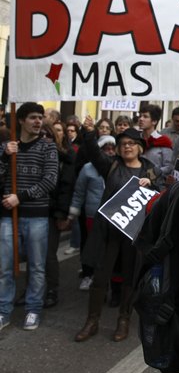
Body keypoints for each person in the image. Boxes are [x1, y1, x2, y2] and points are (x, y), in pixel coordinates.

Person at [74, 128, 161, 343]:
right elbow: (93, 152)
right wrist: (88, 131)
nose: (127, 147)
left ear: (140, 147)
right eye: (123, 143)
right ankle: (91, 321)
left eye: (131, 143)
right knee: (101, 277)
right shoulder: (111, 166)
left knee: (130, 278)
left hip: (134, 236)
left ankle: (123, 320)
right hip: (110, 233)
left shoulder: (150, 171)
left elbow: (160, 196)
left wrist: (152, 185)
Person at [0, 102, 58, 332]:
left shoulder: (48, 147)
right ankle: (3, 310)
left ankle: (33, 308)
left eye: (40, 117)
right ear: (21, 120)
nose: (38, 122)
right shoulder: (6, 147)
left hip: (36, 216)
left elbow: (49, 180)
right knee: (4, 266)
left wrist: (20, 197)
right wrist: (5, 157)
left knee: (36, 265)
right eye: (33, 117)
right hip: (7, 216)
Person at [68, 135, 115, 292]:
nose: (109, 152)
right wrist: (73, 211)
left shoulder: (117, 166)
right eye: (105, 149)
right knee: (90, 246)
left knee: (108, 248)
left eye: (112, 149)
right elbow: (79, 192)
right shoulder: (87, 168)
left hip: (111, 216)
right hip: (91, 215)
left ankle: (106, 278)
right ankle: (88, 275)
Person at [42, 121, 77, 309]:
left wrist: (62, 214)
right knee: (33, 255)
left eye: (52, 134)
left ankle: (51, 290)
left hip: (52, 211)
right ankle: (33, 288)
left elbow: (66, 186)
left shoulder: (66, 156)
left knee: (48, 254)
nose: (45, 139)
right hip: (34, 211)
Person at [138, 104, 173, 177]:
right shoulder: (136, 139)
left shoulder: (163, 141)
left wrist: (151, 175)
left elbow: (169, 166)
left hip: (155, 183)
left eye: (145, 116)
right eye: (140, 116)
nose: (141, 119)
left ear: (154, 121)